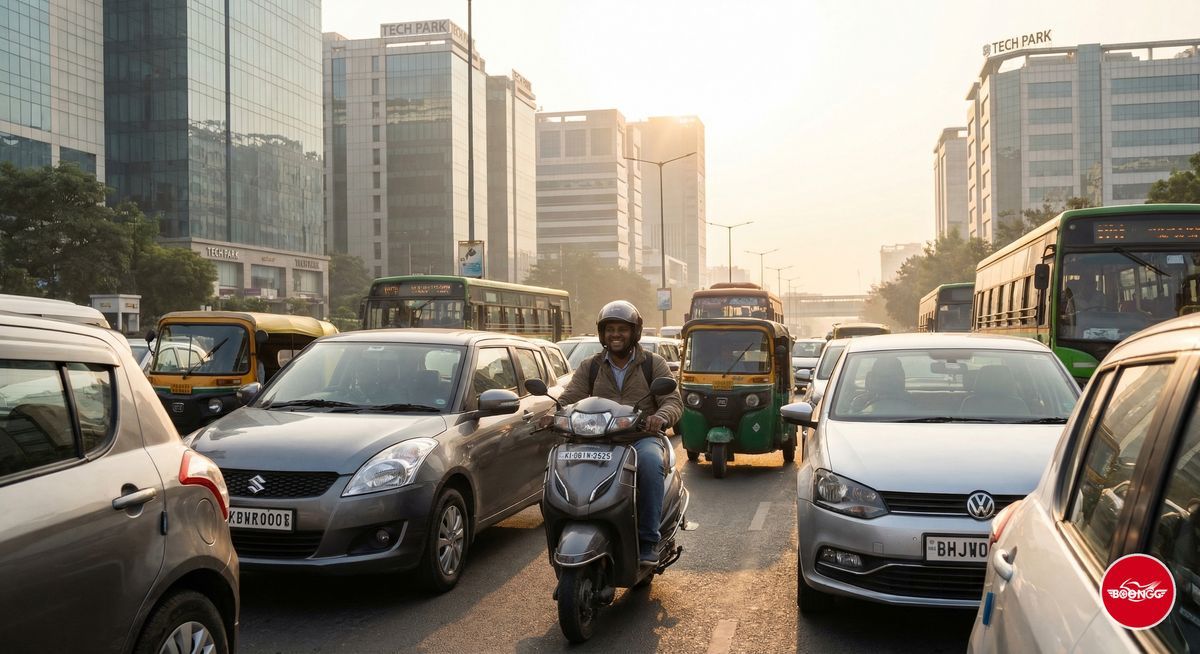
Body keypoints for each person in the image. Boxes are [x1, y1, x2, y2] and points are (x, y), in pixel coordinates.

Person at [553, 300, 683, 563]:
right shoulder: (591, 366)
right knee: (559, 459)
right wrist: (552, 415)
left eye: (622, 329)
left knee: (648, 463)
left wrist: (659, 417)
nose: (615, 335)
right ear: (602, 334)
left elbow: (673, 400)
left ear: (634, 333)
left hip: (639, 439)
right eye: (610, 329)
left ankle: (648, 540)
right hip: (595, 440)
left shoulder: (653, 363)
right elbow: (569, 398)